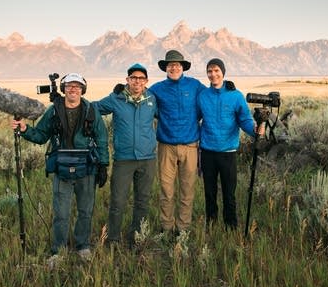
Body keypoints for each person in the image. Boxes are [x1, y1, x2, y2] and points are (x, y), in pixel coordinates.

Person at [11, 73, 109, 263]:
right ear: (63, 89)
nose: (73, 89)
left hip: (87, 167)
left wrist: (103, 165)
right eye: (69, 86)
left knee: (85, 211)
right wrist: (24, 130)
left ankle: (83, 246)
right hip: (61, 167)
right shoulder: (53, 111)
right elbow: (40, 135)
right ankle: (58, 250)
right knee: (61, 213)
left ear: (83, 90)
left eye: (77, 86)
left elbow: (102, 140)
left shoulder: (91, 111)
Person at [94, 63, 157, 247]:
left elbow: (168, 115)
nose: (137, 81)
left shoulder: (152, 98)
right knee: (118, 201)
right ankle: (112, 238)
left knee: (143, 201)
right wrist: (70, 102)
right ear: (127, 80)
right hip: (124, 159)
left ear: (146, 81)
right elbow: (93, 108)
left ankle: (137, 238)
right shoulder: (116, 98)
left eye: (141, 78)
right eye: (133, 78)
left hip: (147, 159)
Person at [198, 58, 263, 229]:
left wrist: (254, 130)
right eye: (210, 71)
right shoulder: (203, 96)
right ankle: (211, 225)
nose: (213, 74)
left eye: (216, 70)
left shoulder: (235, 95)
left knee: (229, 193)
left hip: (228, 152)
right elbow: (195, 118)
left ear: (223, 72)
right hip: (207, 152)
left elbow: (245, 119)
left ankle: (230, 226)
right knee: (209, 193)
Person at [149, 50, 205, 235]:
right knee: (166, 190)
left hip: (190, 146)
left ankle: (183, 228)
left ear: (183, 67)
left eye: (177, 65)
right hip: (166, 146)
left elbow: (211, 98)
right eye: (170, 65)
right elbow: (141, 100)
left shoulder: (195, 86)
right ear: (166, 68)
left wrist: (226, 88)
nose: (174, 67)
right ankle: (166, 227)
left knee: (187, 191)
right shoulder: (156, 89)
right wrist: (121, 92)